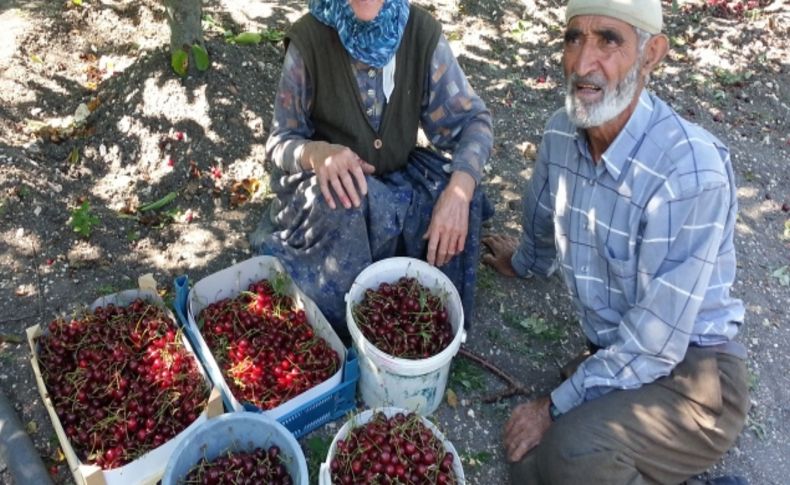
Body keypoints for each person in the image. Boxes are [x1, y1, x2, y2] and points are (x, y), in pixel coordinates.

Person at [482, 1, 749, 483]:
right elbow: (542, 214)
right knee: (527, 467)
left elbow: (655, 346)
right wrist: (523, 262)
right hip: (619, 348)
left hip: (695, 374)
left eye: (609, 40)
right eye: (573, 39)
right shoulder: (561, 134)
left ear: (651, 55)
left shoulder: (689, 172)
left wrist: (553, 406)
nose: (583, 64)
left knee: (566, 454)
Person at [252, 0, 493, 338]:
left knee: (461, 192)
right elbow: (280, 142)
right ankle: (344, 333)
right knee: (343, 204)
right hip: (333, 188)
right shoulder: (310, 40)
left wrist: (458, 192)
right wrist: (318, 153)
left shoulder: (420, 33)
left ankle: (410, 314)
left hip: (397, 176)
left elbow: (473, 122)